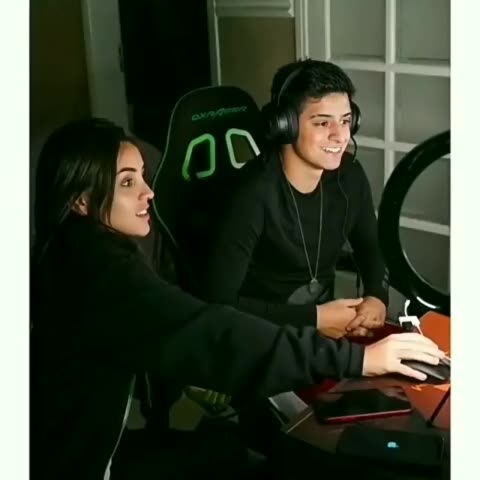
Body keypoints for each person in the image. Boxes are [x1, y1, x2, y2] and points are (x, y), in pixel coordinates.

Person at [30, 118, 445, 480]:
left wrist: (375, 296)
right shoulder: (99, 271)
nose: (149, 192)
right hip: (76, 465)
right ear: (81, 200)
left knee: (225, 447)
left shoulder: (74, 249)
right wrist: (357, 357)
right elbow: (214, 327)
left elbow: (156, 325)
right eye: (127, 182)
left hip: (84, 441)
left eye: (141, 176)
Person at [202, 59, 388, 339]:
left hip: (321, 333)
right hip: (257, 335)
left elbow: (372, 248)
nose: (341, 136)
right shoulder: (251, 194)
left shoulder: (350, 176)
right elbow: (217, 303)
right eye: (323, 122)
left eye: (346, 121)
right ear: (285, 125)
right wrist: (315, 319)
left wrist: (377, 296)